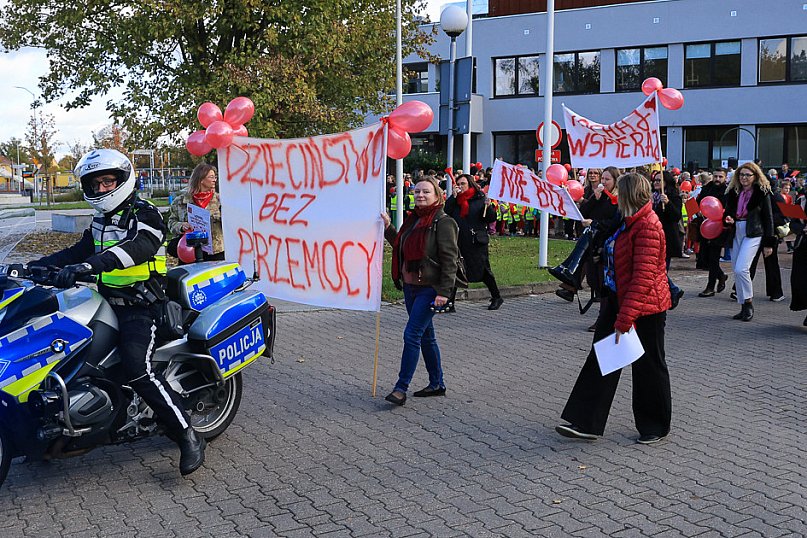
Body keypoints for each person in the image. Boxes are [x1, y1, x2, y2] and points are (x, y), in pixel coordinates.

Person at [28, 149, 205, 475]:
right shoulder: (101, 220)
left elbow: (136, 249)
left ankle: (186, 434)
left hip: (142, 307)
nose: (101, 190)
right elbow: (76, 251)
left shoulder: (146, 214)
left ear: (122, 181)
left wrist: (88, 266)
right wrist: (30, 267)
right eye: (95, 184)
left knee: (138, 367)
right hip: (105, 302)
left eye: (107, 181)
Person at [556, 172, 672, 444]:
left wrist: (625, 319)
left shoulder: (648, 226)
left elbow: (643, 278)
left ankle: (654, 426)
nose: (614, 195)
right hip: (619, 298)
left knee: (649, 366)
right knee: (602, 360)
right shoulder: (626, 219)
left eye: (619, 190)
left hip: (646, 307)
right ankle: (585, 422)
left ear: (630, 194)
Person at [381, 176, 460, 406]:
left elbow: (450, 259)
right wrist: (388, 228)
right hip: (410, 287)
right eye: (417, 192)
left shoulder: (443, 222)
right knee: (426, 335)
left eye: (426, 192)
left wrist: (444, 291)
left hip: (430, 288)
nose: (420, 195)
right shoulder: (412, 220)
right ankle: (437, 383)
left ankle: (400, 388)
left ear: (437, 195)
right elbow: (401, 244)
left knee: (411, 334)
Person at [722, 162, 776, 322]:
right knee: (735, 269)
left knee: (741, 269)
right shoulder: (734, 191)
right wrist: (729, 218)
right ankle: (743, 305)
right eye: (742, 174)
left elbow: (768, 218)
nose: (744, 178)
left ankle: (748, 303)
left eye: (748, 175)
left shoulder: (762, 192)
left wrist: (768, 243)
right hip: (737, 229)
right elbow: (728, 212)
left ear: (755, 176)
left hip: (754, 232)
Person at [444, 174, 503, 310]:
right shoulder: (456, 200)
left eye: (463, 183)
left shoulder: (480, 198)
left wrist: (489, 207)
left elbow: (490, 218)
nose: (460, 186)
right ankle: (450, 302)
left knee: (483, 270)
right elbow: (447, 212)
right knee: (456, 269)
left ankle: (496, 297)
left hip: (476, 241)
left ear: (470, 184)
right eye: (458, 184)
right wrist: (453, 197)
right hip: (459, 240)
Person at [167, 163, 224, 261]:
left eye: (215, 177)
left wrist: (219, 218)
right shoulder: (180, 201)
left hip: (215, 253)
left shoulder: (220, 200)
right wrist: (181, 226)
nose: (215, 180)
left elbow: (231, 224)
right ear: (201, 179)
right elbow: (171, 223)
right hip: (190, 251)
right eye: (211, 177)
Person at [697, 168, 729, 297]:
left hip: (720, 227)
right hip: (705, 226)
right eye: (715, 176)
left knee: (714, 257)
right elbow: (699, 202)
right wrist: (698, 210)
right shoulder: (707, 188)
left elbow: (729, 208)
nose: (717, 179)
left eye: (720, 177)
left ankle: (710, 287)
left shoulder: (728, 191)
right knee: (705, 258)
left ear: (725, 178)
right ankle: (721, 276)